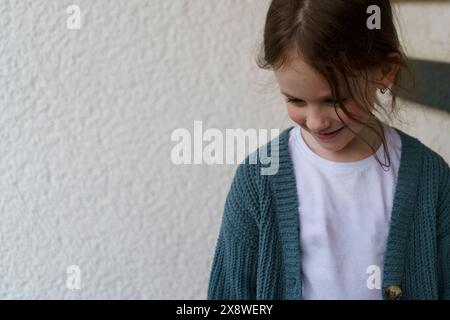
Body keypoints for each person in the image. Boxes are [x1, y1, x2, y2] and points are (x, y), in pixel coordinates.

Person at [207, 0, 450, 300]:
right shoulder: (257, 180)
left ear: (385, 71)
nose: (316, 121)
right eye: (295, 101)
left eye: (335, 100)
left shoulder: (430, 179)